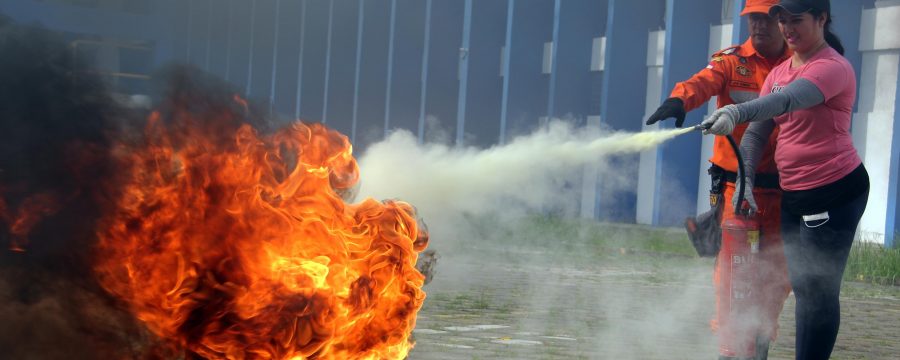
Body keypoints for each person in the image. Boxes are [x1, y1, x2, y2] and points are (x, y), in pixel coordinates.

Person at [702, 0, 869, 358]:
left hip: (834, 192)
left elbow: (788, 102)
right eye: (783, 22)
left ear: (821, 19)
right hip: (793, 193)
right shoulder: (779, 73)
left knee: (815, 290)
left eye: (797, 21)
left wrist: (735, 110)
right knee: (794, 283)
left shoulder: (832, 68)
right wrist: (744, 183)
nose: (787, 29)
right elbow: (756, 135)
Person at [646, 1, 791, 358]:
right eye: (753, 19)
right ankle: (730, 346)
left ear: (784, 21)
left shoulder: (798, 64)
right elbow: (702, 82)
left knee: (776, 274)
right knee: (731, 271)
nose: (758, 27)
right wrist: (679, 100)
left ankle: (759, 343)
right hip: (734, 190)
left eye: (767, 19)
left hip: (782, 190)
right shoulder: (731, 60)